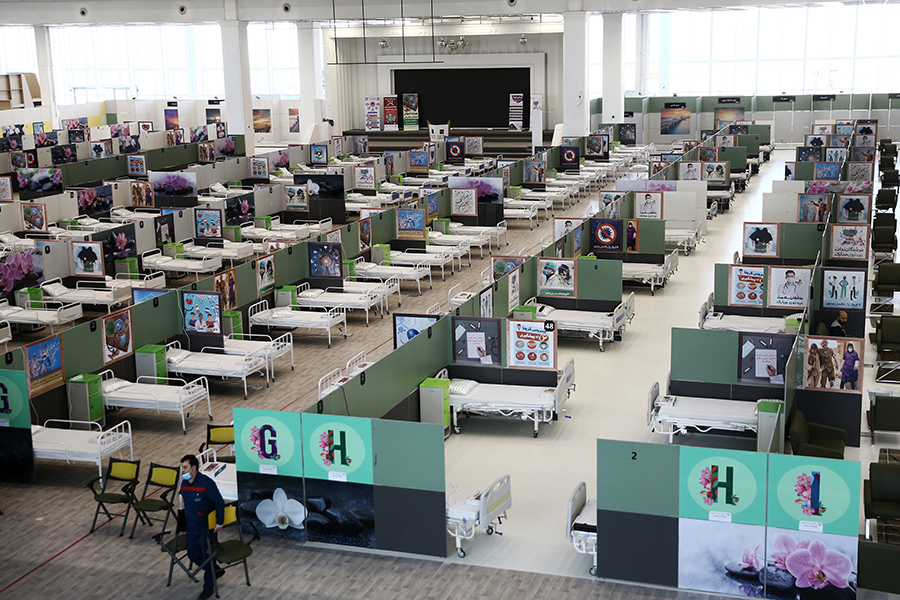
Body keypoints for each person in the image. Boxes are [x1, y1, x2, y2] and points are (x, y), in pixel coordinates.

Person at [179, 454, 225, 600]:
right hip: (191, 527)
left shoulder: (206, 483)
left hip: (206, 528)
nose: (182, 471)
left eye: (185, 467)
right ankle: (215, 571)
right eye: (181, 468)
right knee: (193, 555)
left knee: (208, 557)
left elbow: (219, 502)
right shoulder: (184, 484)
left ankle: (208, 587)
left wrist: (219, 522)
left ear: (193, 468)